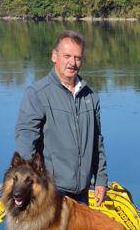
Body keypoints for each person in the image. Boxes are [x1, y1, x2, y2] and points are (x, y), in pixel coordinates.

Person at [15, 30, 107, 205]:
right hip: (51, 190)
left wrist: (101, 179)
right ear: (54, 56)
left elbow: (97, 142)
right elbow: (26, 140)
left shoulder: (90, 97)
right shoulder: (37, 94)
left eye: (78, 57)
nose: (72, 62)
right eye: (67, 56)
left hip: (82, 193)